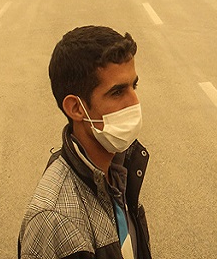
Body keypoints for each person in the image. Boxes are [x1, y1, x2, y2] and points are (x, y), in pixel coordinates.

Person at [18, 25, 152, 259]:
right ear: (76, 108)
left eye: (134, 86)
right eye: (118, 92)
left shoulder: (117, 173)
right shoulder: (55, 221)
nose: (135, 102)